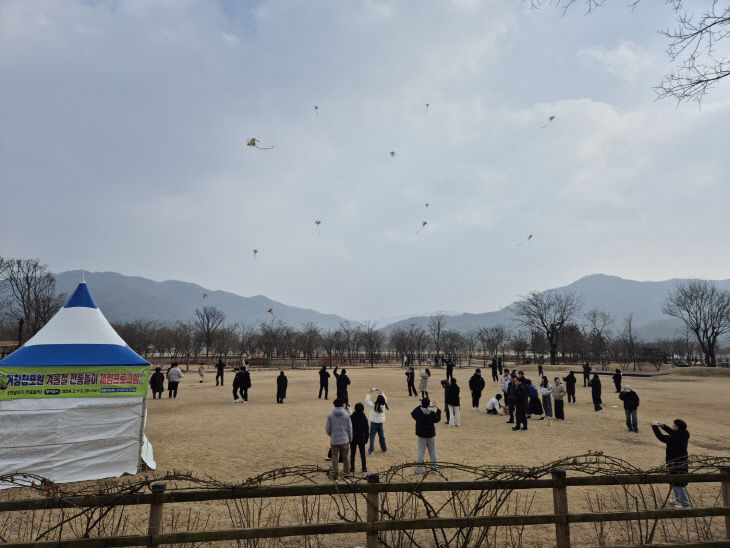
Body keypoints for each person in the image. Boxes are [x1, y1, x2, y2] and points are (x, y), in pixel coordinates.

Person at [651, 419, 691, 508]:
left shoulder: (676, 438)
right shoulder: (683, 434)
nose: (672, 426)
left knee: (679, 483)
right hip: (677, 461)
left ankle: (685, 503)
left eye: (674, 425)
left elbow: (661, 437)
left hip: (676, 462)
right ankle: (678, 500)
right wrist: (663, 426)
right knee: (674, 481)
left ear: (677, 427)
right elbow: (672, 432)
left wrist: (654, 427)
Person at [411, 397, 441, 475]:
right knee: (433, 453)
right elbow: (437, 420)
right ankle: (435, 470)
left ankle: (419, 470)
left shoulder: (418, 412)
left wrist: (420, 405)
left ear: (422, 404)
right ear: (428, 405)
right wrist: (438, 409)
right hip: (431, 435)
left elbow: (413, 413)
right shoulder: (432, 413)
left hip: (421, 435)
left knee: (421, 453)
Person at [326, 399, 353, 475]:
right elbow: (350, 429)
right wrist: (350, 439)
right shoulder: (347, 416)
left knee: (334, 457)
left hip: (334, 440)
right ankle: (346, 474)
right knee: (346, 458)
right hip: (345, 440)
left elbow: (327, 429)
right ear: (342, 405)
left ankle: (335, 474)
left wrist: (332, 435)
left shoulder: (330, 416)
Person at [365, 389, 388, 454]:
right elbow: (385, 398)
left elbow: (367, 401)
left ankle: (371, 450)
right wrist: (381, 392)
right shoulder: (383, 405)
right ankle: (384, 449)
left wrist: (370, 392)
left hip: (374, 423)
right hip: (380, 423)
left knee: (372, 436)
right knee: (381, 436)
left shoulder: (373, 405)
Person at [349, 402, 369, 473]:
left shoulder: (351, 417)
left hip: (353, 438)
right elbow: (367, 429)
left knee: (352, 454)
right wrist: (366, 438)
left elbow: (349, 428)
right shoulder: (364, 417)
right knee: (362, 454)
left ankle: (352, 468)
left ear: (355, 409)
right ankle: (364, 468)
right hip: (361, 438)